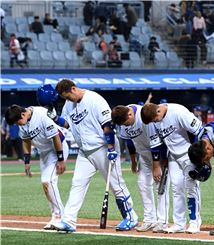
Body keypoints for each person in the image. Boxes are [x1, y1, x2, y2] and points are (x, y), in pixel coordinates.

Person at [48, 79, 138, 232]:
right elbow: (68, 124)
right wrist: (55, 118)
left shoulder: (94, 99)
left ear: (74, 89)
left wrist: (111, 148)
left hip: (102, 148)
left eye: (68, 96)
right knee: (77, 183)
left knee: (116, 185)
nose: (67, 100)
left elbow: (107, 125)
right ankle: (69, 221)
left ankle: (131, 217)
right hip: (85, 151)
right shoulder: (69, 104)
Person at [3, 102, 68, 230]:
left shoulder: (41, 115)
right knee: (46, 185)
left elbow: (56, 137)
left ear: (23, 114)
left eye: (17, 122)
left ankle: (61, 216)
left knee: (48, 181)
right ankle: (55, 215)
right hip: (45, 153)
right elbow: (26, 141)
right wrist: (27, 162)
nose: (17, 125)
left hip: (57, 148)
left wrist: (61, 159)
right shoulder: (23, 120)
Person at [140, 102, 203, 234]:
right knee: (176, 188)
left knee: (191, 188)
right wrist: (164, 160)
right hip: (173, 156)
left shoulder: (178, 112)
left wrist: (199, 156)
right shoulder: (156, 119)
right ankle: (179, 223)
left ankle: (194, 222)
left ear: (158, 111)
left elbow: (199, 130)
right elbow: (162, 142)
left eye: (154, 119)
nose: (155, 122)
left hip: (188, 154)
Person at [110, 104, 170, 233]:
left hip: (158, 154)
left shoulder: (143, 116)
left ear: (130, 115)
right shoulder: (123, 118)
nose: (125, 126)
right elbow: (129, 142)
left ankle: (162, 221)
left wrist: (157, 166)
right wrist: (133, 160)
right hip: (143, 155)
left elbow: (156, 144)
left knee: (160, 186)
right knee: (143, 184)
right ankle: (149, 220)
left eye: (126, 123)